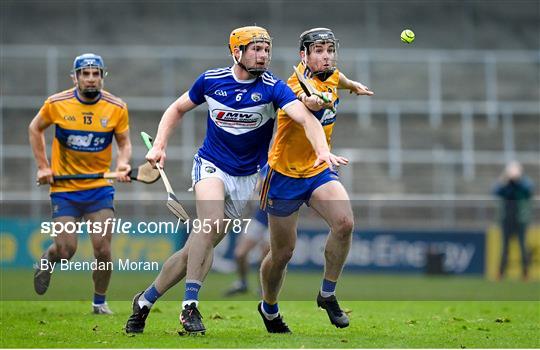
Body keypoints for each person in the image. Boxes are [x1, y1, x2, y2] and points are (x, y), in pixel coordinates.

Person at [125, 26, 348, 335]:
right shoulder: (211, 81)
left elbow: (303, 117)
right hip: (210, 166)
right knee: (211, 223)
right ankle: (189, 308)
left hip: (245, 177)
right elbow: (176, 109)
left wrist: (322, 150)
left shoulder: (273, 88)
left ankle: (144, 301)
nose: (264, 56)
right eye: (256, 49)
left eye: (267, 50)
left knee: (194, 251)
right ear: (237, 53)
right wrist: (160, 144)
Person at [258, 28, 373, 333]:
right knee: (282, 254)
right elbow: (307, 107)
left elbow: (339, 79)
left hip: (319, 169)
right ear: (304, 56)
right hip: (283, 175)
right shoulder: (293, 87)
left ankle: (327, 294)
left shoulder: (332, 76)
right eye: (319, 51)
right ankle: (268, 307)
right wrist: (315, 102)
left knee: (345, 223)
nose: (326, 56)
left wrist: (352, 86)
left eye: (330, 50)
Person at [29, 53, 132, 314]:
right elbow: (35, 128)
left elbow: (124, 143)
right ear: (74, 77)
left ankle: (99, 302)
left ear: (102, 77)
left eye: (95, 74)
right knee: (66, 250)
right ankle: (49, 258)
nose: (90, 79)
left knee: (103, 249)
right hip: (65, 190)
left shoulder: (116, 107)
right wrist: (43, 166)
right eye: (84, 74)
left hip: (99, 189)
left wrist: (122, 165)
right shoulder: (56, 104)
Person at [493, 161, 534, 280]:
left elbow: (529, 191)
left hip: (520, 220)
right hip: (507, 220)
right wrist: (505, 180)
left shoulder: (524, 184)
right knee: (505, 248)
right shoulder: (505, 185)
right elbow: (496, 191)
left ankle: (525, 273)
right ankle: (501, 273)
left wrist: (518, 181)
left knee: (523, 247)